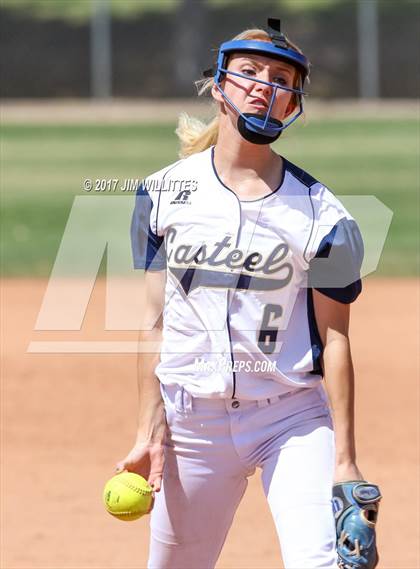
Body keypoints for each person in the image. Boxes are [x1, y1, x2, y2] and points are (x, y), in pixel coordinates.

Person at [116, 18, 373, 569]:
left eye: (281, 77)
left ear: (292, 104)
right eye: (249, 71)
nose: (263, 85)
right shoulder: (161, 194)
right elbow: (155, 323)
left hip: (291, 416)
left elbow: (336, 340)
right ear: (219, 85)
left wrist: (346, 462)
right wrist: (148, 428)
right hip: (192, 421)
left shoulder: (325, 217)